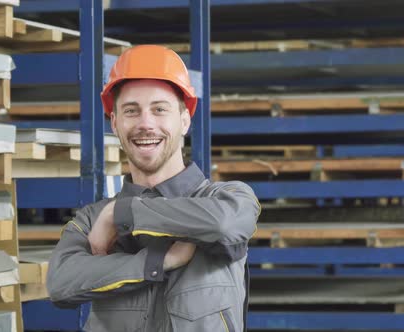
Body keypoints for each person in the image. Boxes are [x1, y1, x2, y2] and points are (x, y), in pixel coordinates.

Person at [47, 45, 260, 332]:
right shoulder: (90, 219)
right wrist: (158, 261)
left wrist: (121, 213)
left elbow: (222, 225)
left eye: (160, 109)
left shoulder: (228, 198)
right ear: (115, 123)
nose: (146, 124)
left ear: (184, 120)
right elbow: (61, 283)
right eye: (131, 111)